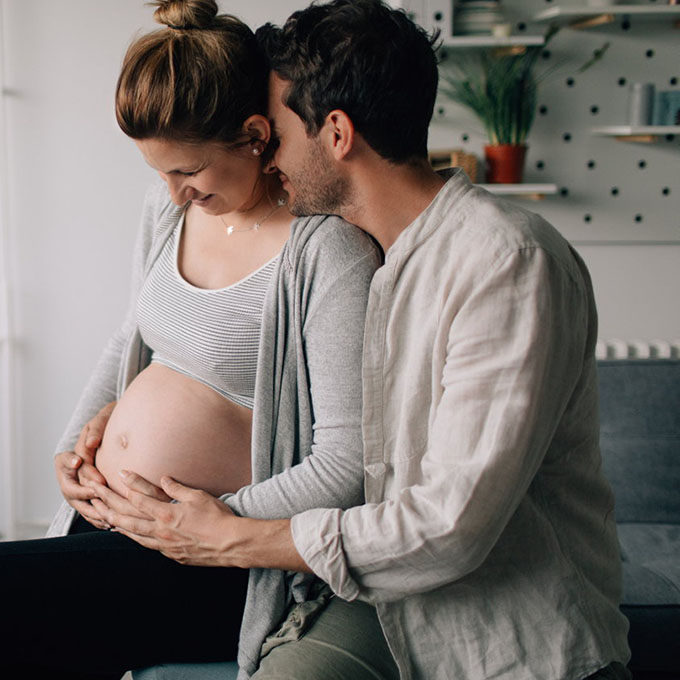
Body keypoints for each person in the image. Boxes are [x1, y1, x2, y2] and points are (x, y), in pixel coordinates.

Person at [93, 1, 633, 679]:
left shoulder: (503, 262)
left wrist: (232, 534)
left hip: (499, 626)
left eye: (277, 134)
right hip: (371, 599)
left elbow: (450, 527)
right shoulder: (375, 256)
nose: (265, 155)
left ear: (338, 133)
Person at [0, 1, 381, 678]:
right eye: (160, 173)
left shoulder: (327, 251)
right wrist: (70, 454)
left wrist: (204, 522)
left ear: (257, 135)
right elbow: (131, 336)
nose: (173, 193)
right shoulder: (167, 210)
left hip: (214, 561)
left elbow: (345, 463)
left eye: (188, 172)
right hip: (118, 527)